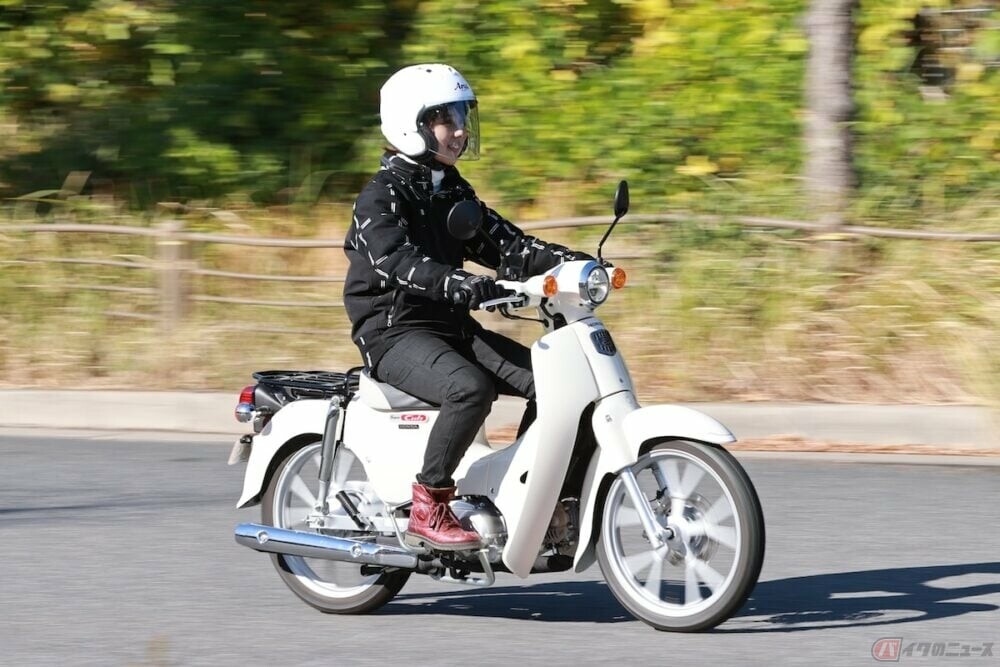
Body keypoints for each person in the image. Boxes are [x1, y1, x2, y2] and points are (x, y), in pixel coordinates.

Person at [343, 63, 590, 551]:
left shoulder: (450, 188)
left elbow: (509, 249)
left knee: (557, 383)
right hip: (393, 332)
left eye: (461, 116)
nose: (459, 129)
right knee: (469, 388)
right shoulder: (381, 195)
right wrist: (458, 282)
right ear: (408, 123)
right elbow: (394, 260)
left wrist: (578, 265)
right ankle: (429, 504)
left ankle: (539, 501)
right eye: (444, 118)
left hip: (448, 324)